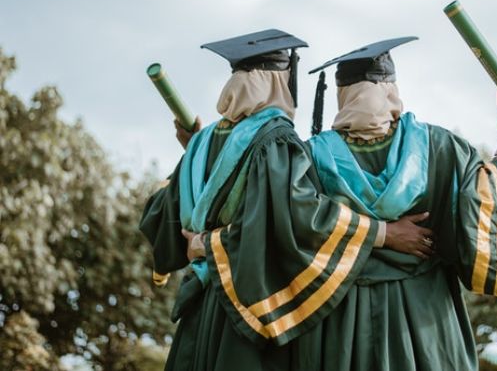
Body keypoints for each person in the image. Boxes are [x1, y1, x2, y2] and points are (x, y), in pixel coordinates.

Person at [139, 30, 430, 371]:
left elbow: (160, 215)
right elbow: (295, 218)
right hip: (247, 310)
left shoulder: (202, 143)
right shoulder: (275, 140)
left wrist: (194, 159)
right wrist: (385, 233)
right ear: (277, 82)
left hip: (201, 311)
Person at [294, 36, 497, 371]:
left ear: (341, 94)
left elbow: (293, 226)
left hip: (344, 324)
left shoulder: (309, 158)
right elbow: (487, 199)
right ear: (390, 89)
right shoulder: (437, 146)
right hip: (427, 321)